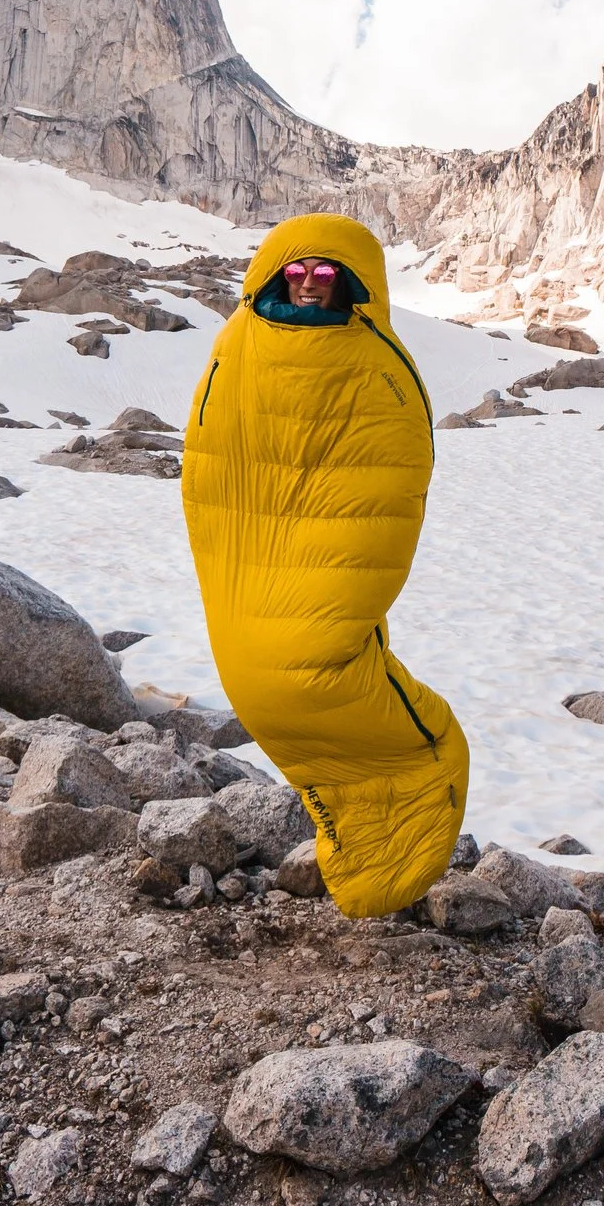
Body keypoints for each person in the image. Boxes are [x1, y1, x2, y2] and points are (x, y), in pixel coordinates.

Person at [180, 213, 470, 918]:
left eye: (327, 274)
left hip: (305, 597)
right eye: (298, 273)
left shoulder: (372, 362)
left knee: (328, 691)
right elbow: (206, 470)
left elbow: (387, 493)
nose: (310, 286)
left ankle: (371, 867)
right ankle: (375, 863)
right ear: (277, 275)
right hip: (249, 596)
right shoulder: (239, 346)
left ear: (353, 282)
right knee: (414, 742)